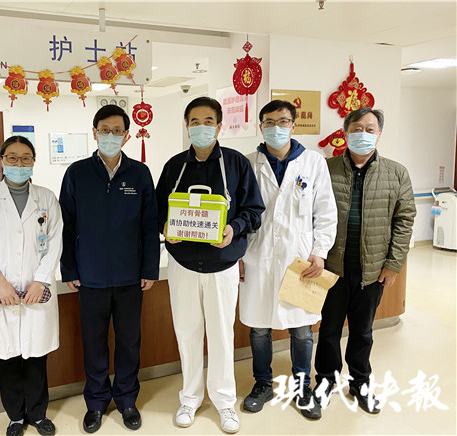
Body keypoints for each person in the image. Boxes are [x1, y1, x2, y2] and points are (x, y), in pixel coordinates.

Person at [155, 97, 265, 434]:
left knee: (221, 335)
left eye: (207, 121)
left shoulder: (235, 164)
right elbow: (157, 209)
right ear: (187, 126)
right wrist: (164, 227)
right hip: (183, 265)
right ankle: (189, 398)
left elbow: (254, 211)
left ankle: (224, 401)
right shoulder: (175, 166)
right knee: (187, 333)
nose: (200, 127)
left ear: (219, 126)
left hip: (222, 265)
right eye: (194, 121)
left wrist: (234, 229)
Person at [59, 104, 159, 433]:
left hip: (130, 276)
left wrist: (150, 268)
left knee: (129, 342)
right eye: (105, 130)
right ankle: (97, 402)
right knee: (94, 343)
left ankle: (127, 399)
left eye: (117, 131)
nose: (111, 136)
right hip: (90, 277)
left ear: (127, 135)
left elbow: (149, 225)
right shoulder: (77, 173)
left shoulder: (139, 173)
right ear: (95, 133)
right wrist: (69, 269)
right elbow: (66, 224)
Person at [238, 100, 337, 420]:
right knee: (259, 328)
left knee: (302, 329)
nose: (276, 128)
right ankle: (263, 384)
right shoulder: (249, 164)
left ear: (294, 125)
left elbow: (326, 212)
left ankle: (302, 387)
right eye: (269, 122)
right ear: (261, 126)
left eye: (282, 121)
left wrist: (320, 252)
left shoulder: (313, 162)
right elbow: (238, 213)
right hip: (258, 256)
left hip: (300, 259)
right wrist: (238, 255)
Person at [314, 108, 416, 414]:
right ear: (346, 132)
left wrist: (394, 264)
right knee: (329, 330)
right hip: (332, 268)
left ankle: (360, 382)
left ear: (379, 134)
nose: (363, 134)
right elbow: (311, 214)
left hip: (372, 270)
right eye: (357, 128)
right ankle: (325, 380)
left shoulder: (396, 173)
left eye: (370, 129)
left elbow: (405, 220)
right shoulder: (326, 168)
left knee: (363, 331)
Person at [0, 136, 63, 436]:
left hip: (36, 290)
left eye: (25, 158)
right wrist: (0, 283)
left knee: (36, 356)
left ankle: (39, 414)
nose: (19, 163)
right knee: (7, 356)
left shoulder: (46, 198)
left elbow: (55, 242)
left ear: (33, 161)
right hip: (1, 290)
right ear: (1, 160)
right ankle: (15, 418)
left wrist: (41, 280)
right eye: (12, 157)